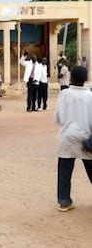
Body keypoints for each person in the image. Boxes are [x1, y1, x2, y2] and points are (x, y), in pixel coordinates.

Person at [53, 65, 92, 212]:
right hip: (86, 138)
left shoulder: (64, 94)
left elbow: (58, 118)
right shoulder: (90, 96)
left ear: (71, 77)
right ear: (85, 79)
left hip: (67, 136)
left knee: (64, 168)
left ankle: (64, 201)